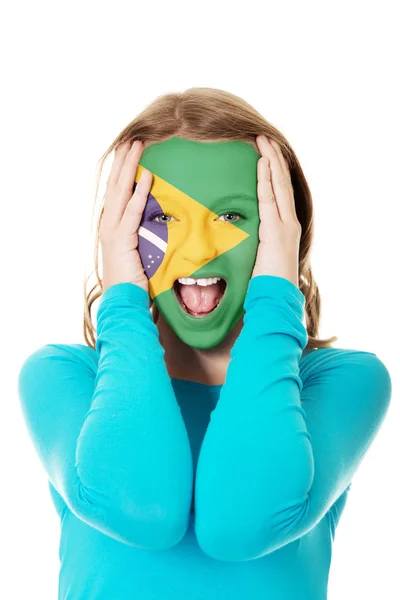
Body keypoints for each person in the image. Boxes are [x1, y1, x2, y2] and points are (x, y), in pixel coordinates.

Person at [17, 87, 392, 600]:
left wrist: (275, 299)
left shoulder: (341, 382)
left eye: (231, 217)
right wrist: (123, 302)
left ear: (281, 233)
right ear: (120, 233)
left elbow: (244, 524)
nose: (195, 250)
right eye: (164, 218)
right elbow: (140, 509)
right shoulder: (62, 377)